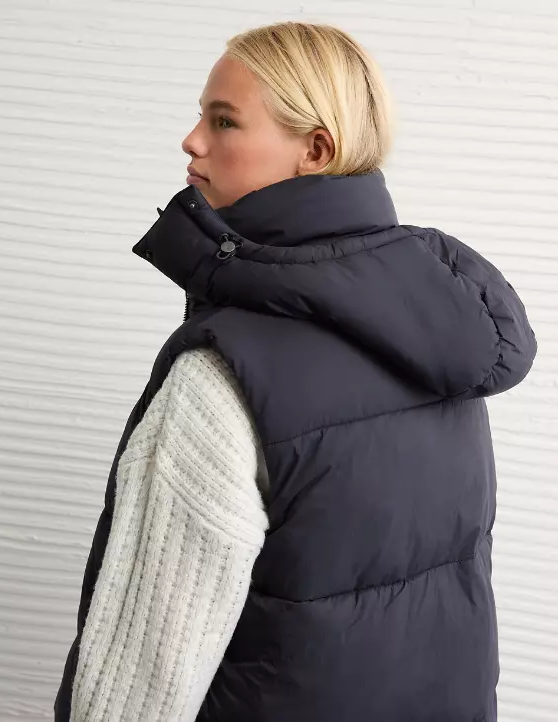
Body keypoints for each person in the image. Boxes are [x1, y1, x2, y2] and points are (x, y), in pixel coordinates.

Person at [55, 21, 537, 722]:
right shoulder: (438, 341)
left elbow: (139, 685)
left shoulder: (223, 376)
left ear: (315, 149)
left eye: (223, 121)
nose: (191, 140)